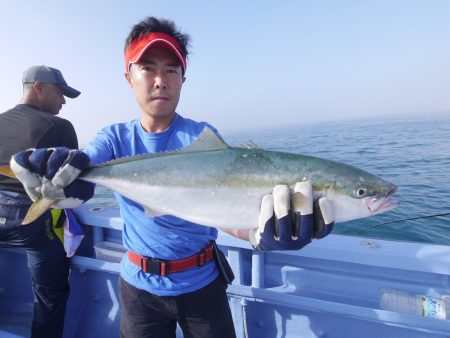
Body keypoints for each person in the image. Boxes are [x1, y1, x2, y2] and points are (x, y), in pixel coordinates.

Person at [10, 17, 335, 338]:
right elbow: (88, 161)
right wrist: (67, 171)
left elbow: (218, 209)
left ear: (182, 78)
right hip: (138, 288)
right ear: (129, 77)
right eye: (148, 68)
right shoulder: (114, 138)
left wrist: (257, 236)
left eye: (171, 70)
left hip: (203, 285)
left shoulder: (204, 139)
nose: (160, 80)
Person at [0, 65, 82, 338]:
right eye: (60, 93)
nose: (63, 101)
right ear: (39, 87)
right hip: (31, 221)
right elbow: (73, 182)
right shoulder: (59, 126)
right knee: (50, 294)